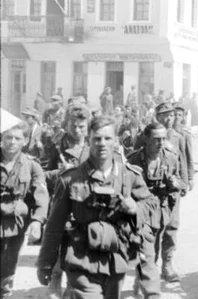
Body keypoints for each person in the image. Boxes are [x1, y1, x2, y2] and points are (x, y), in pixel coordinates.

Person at [36, 116, 159, 299]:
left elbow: (152, 203)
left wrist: (136, 208)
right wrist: (45, 262)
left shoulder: (128, 175)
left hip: (116, 256)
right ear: (88, 141)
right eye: (97, 139)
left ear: (116, 142)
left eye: (107, 138)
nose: (102, 143)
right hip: (81, 257)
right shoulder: (70, 179)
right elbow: (54, 225)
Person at [127, 122, 185, 299]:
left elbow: (183, 184)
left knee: (160, 244)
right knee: (146, 250)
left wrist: (177, 184)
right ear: (146, 139)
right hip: (143, 211)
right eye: (156, 139)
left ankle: (145, 279)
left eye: (163, 139)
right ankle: (146, 286)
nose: (160, 143)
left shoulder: (171, 158)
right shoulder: (133, 160)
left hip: (164, 209)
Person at [43, 104, 92, 298]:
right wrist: (60, 173)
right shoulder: (55, 145)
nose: (77, 130)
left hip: (86, 202)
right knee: (59, 241)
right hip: (61, 202)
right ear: (66, 125)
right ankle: (55, 279)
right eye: (74, 126)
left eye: (82, 126)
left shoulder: (94, 145)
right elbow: (41, 174)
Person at [136, 102, 188, 282]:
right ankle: (150, 267)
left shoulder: (179, 137)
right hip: (151, 194)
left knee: (171, 228)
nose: (169, 118)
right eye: (165, 115)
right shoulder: (146, 135)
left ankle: (167, 264)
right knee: (150, 233)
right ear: (157, 117)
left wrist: (183, 184)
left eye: (172, 115)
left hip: (170, 194)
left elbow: (184, 161)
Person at [1, 122, 49, 298]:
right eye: (8, 137)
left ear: (25, 141)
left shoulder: (31, 165)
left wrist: (37, 220)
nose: (12, 142)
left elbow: (41, 194)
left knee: (8, 264)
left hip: (15, 225)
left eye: (17, 138)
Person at [173, 102, 195, 191]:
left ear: (182, 117)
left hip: (180, 172)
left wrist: (190, 177)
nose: (177, 117)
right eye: (174, 114)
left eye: (179, 115)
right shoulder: (164, 133)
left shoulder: (185, 135)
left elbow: (189, 156)